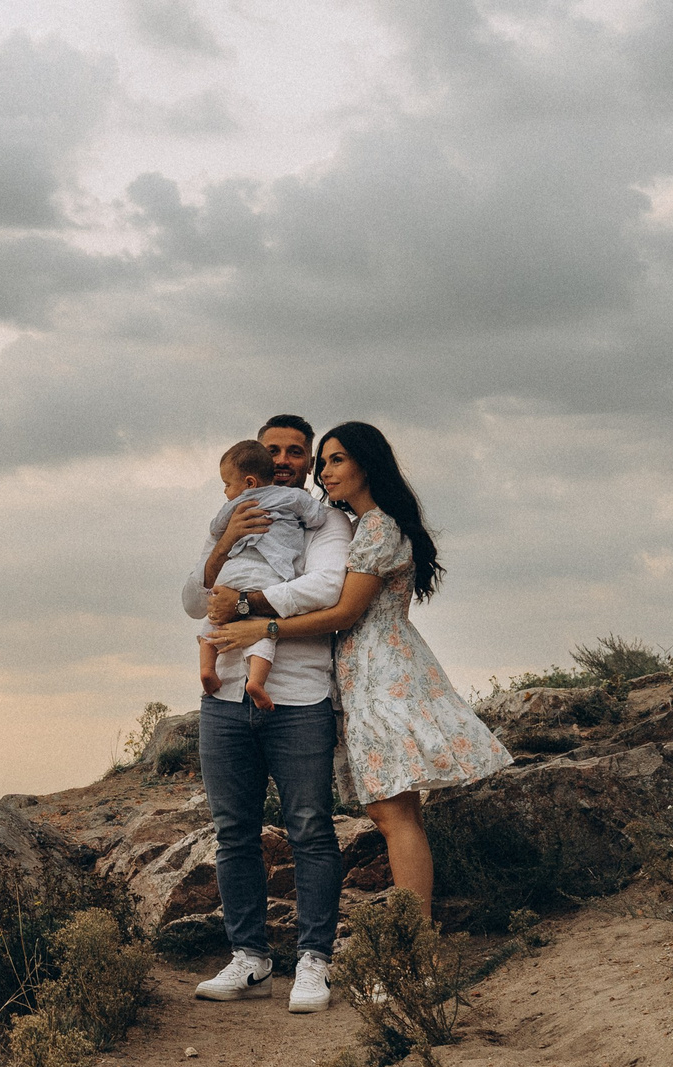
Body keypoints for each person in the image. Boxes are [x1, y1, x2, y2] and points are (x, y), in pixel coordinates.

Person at [207, 421, 510, 973]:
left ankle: (413, 956)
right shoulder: (364, 524)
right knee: (393, 812)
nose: (325, 472)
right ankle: (412, 949)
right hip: (366, 672)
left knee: (394, 816)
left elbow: (345, 612)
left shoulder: (375, 529)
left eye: (336, 460)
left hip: (382, 673)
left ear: (366, 465)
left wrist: (261, 627)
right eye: (323, 463)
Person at [181, 414, 352, 1013]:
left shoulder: (325, 518)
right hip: (223, 694)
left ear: (308, 462)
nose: (283, 459)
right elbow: (191, 598)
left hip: (300, 694)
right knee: (234, 833)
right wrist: (228, 544)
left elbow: (328, 587)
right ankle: (250, 959)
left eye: (296, 452)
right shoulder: (235, 511)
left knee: (309, 827)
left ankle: (313, 960)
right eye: (273, 449)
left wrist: (250, 601)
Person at [198, 438, 330, 709]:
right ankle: (257, 680)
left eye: (227, 485)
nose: (226, 492)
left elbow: (215, 527)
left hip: (232, 570)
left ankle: (208, 669)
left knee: (213, 616)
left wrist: (226, 534)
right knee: (260, 629)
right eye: (273, 452)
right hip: (269, 573)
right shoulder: (294, 497)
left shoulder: (237, 506)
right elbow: (317, 517)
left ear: (248, 482)